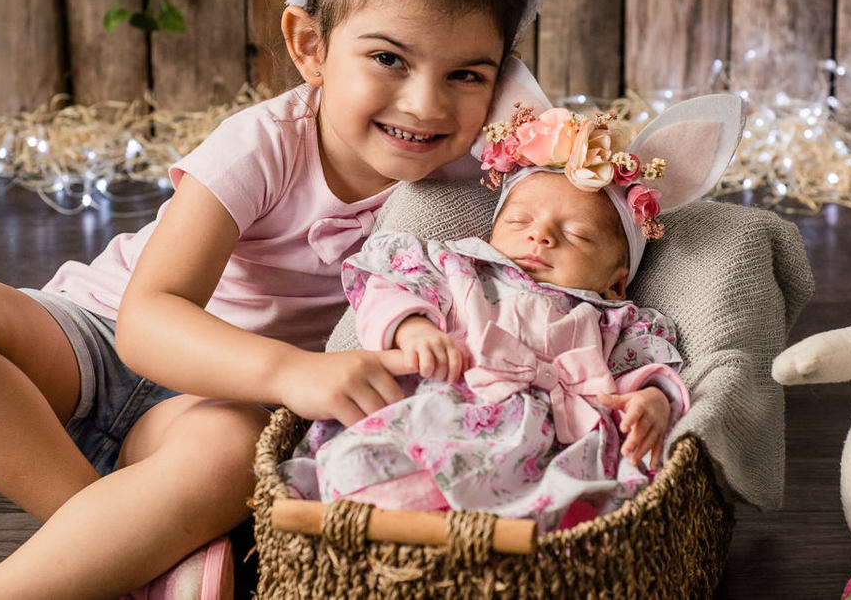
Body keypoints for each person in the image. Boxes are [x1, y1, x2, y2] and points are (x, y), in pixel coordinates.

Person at [0, 0, 623, 600]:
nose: (425, 105)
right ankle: (121, 548)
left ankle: (84, 559)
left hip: (214, 410)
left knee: (232, 455)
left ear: (502, 77)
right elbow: (147, 322)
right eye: (388, 59)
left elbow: (580, 201)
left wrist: (534, 124)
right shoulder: (264, 142)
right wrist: (293, 370)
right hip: (96, 342)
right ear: (311, 47)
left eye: (466, 74)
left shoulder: (483, 178)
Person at [279, 108, 692, 532]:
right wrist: (412, 327)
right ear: (492, 234)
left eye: (577, 235)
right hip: (442, 412)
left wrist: (651, 400)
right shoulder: (460, 269)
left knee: (587, 507)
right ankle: (371, 523)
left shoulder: (614, 320)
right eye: (519, 221)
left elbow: (648, 369)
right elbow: (386, 283)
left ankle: (505, 549)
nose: (540, 236)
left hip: (548, 449)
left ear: (616, 283)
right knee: (360, 460)